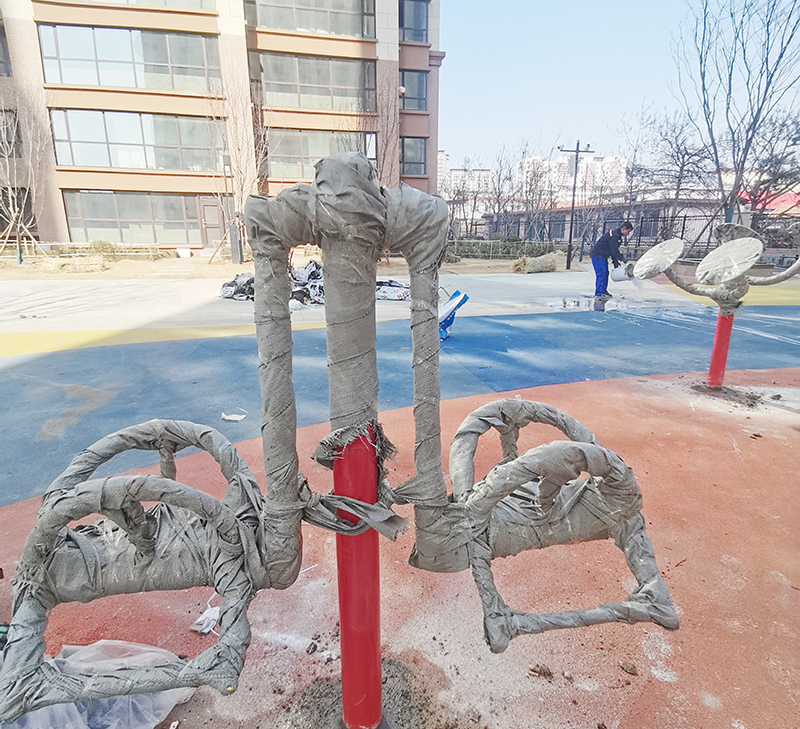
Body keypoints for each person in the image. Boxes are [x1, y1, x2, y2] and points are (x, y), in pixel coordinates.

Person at [590, 221, 633, 301]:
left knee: (606, 273)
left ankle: (603, 291)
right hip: (597, 255)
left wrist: (616, 262)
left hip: (603, 256)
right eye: (628, 231)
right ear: (624, 229)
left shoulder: (617, 236)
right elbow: (614, 250)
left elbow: (613, 251)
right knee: (601, 274)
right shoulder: (614, 235)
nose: (628, 234)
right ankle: (598, 294)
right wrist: (622, 258)